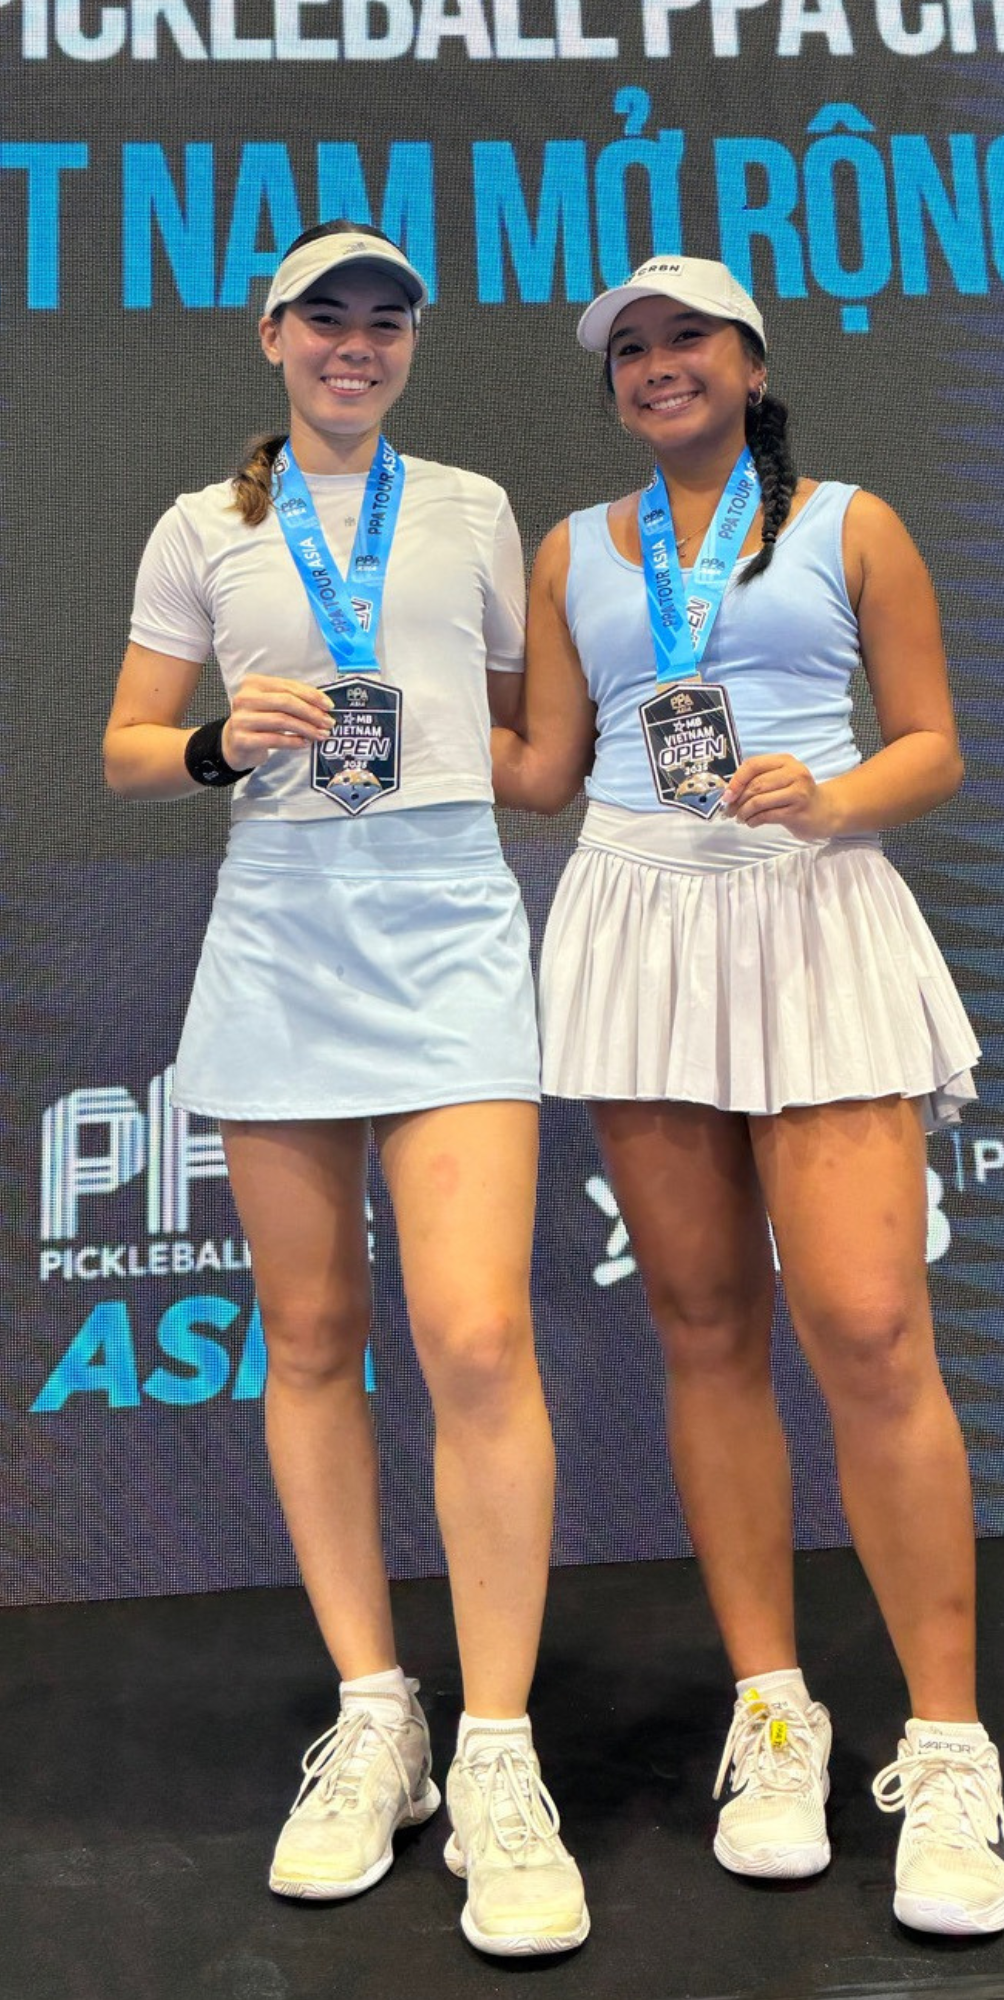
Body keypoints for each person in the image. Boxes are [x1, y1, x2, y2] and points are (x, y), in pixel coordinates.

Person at [494, 253, 1003, 1935]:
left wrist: (838, 796)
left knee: (868, 1327)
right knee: (706, 1327)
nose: (658, 365)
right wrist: (382, 711)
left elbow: (931, 741)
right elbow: (544, 770)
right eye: (630, 350)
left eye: (687, 339)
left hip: (811, 905)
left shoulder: (854, 524)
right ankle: (775, 1716)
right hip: (639, 920)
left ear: (753, 362)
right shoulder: (572, 551)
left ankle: (949, 1747)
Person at [102, 221, 588, 1957]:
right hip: (282, 932)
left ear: (411, 345)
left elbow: (526, 749)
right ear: (273, 336)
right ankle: (378, 1717)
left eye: (386, 319)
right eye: (328, 317)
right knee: (309, 1336)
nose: (356, 343)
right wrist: (221, 741)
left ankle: (501, 1749)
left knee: (475, 1337)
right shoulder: (201, 526)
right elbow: (127, 749)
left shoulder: (471, 507)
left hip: (448, 921)